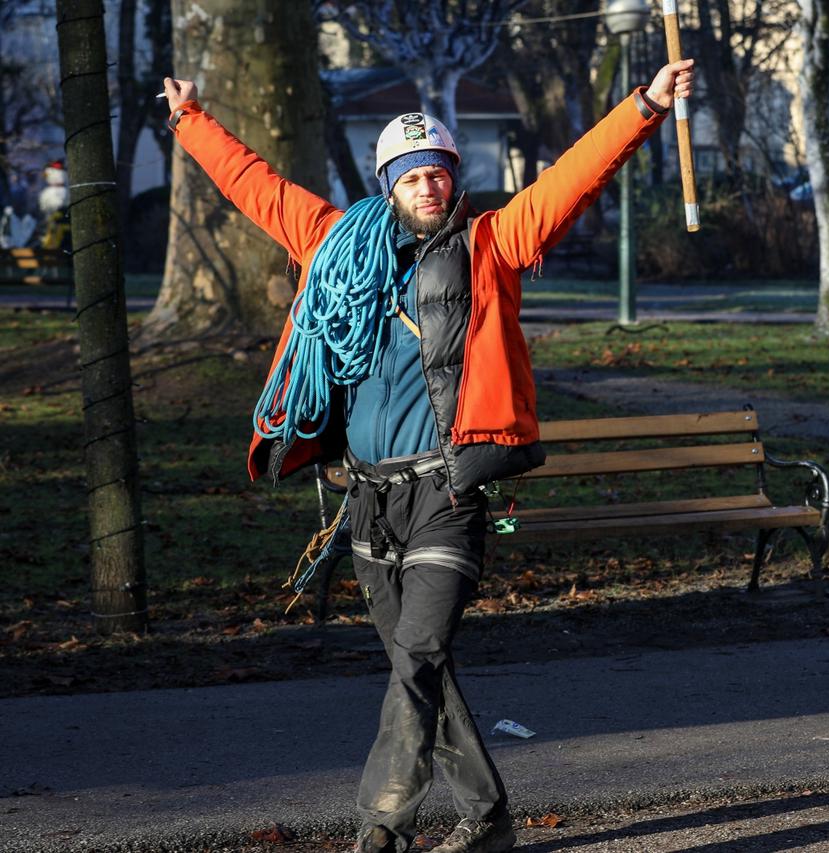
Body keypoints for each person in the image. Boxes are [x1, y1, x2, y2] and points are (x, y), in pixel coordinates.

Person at [162, 58, 693, 853]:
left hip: (447, 494)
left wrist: (645, 105)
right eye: (411, 177)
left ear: (453, 180)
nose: (428, 188)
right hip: (370, 500)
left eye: (439, 173)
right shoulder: (336, 242)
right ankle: (488, 821)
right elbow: (257, 187)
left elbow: (570, 178)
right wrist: (191, 122)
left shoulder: (492, 245)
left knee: (414, 660)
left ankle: (380, 825)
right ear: (388, 183)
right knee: (427, 673)